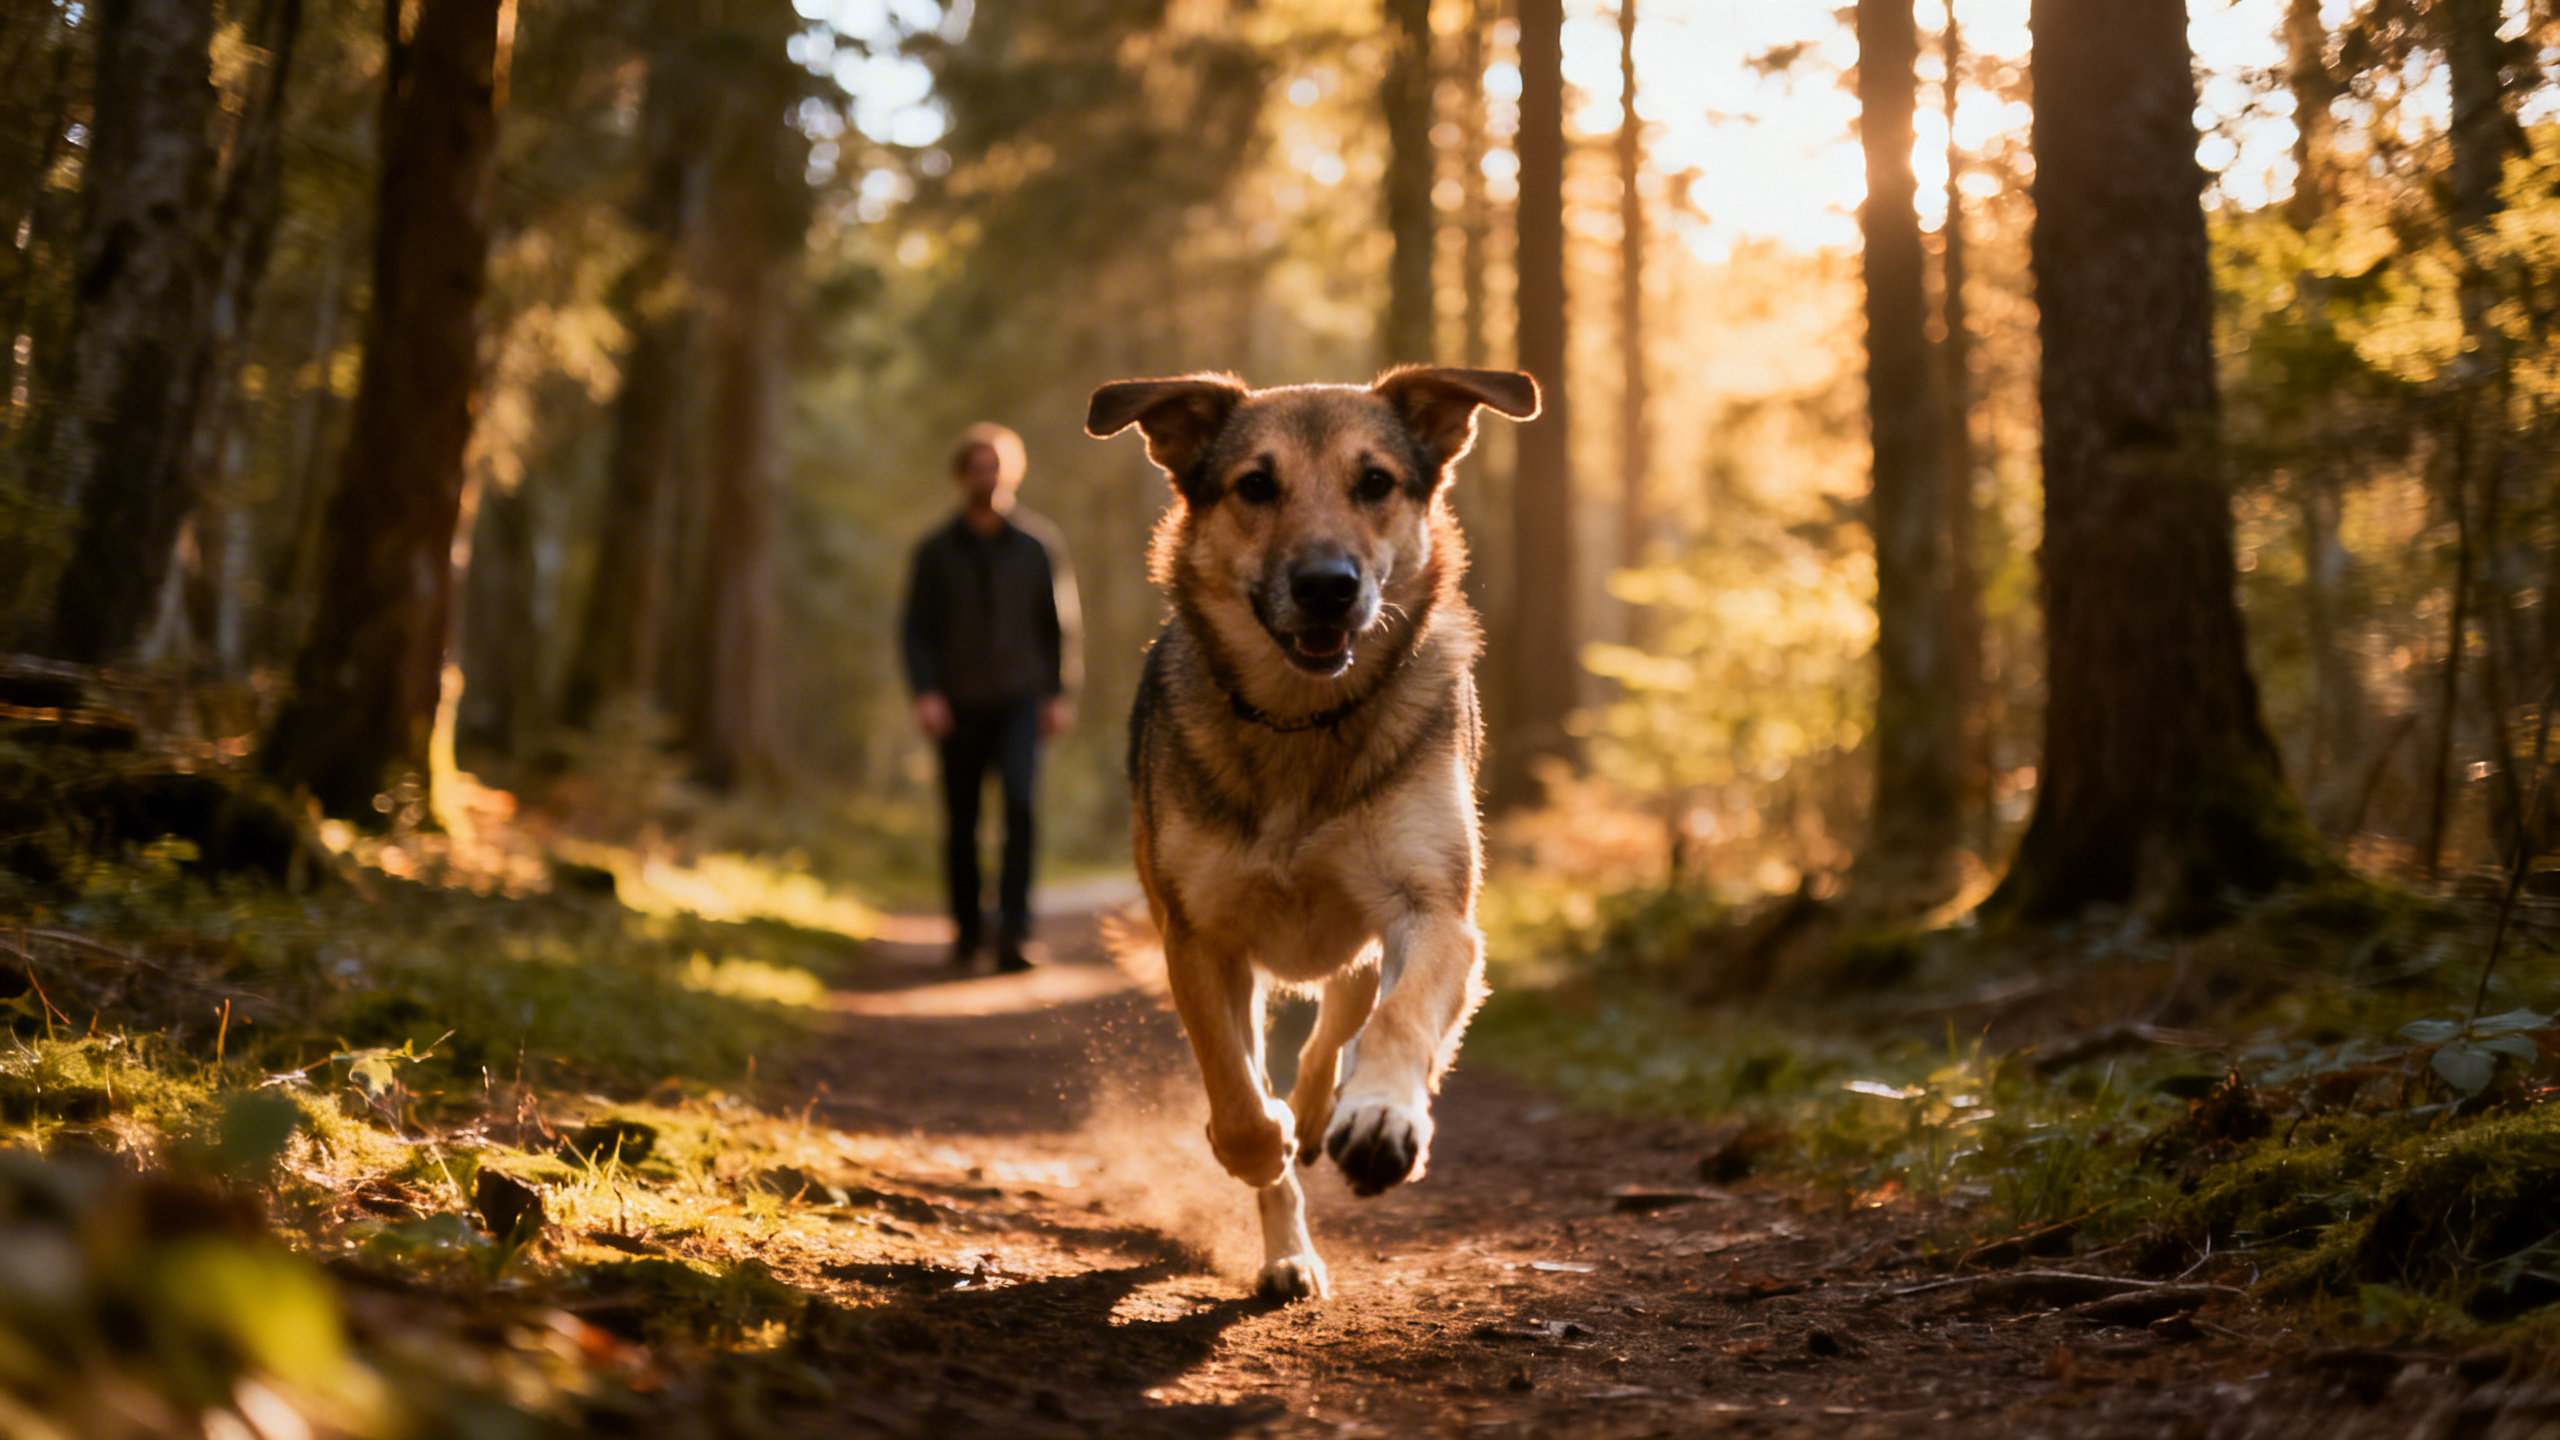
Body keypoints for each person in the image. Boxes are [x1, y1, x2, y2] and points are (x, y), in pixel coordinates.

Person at [900, 423, 1082, 972]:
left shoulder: (1037, 546)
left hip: (1021, 701)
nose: (987, 477)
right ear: (962, 476)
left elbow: (1059, 627)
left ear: (1011, 473)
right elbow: (916, 631)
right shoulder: (934, 552)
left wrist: (1058, 693)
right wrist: (926, 693)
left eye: (995, 467)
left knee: (1021, 809)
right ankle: (967, 934)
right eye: (977, 468)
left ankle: (1014, 935)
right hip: (957, 704)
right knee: (963, 821)